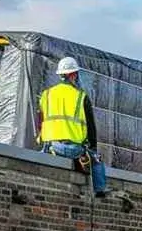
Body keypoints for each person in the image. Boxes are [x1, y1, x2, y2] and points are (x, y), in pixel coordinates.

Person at [37, 56, 107, 197]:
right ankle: (100, 191)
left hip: (51, 147)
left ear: (60, 75)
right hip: (74, 150)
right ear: (73, 75)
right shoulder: (81, 96)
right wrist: (92, 149)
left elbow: (40, 121)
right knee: (97, 160)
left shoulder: (46, 95)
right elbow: (91, 128)